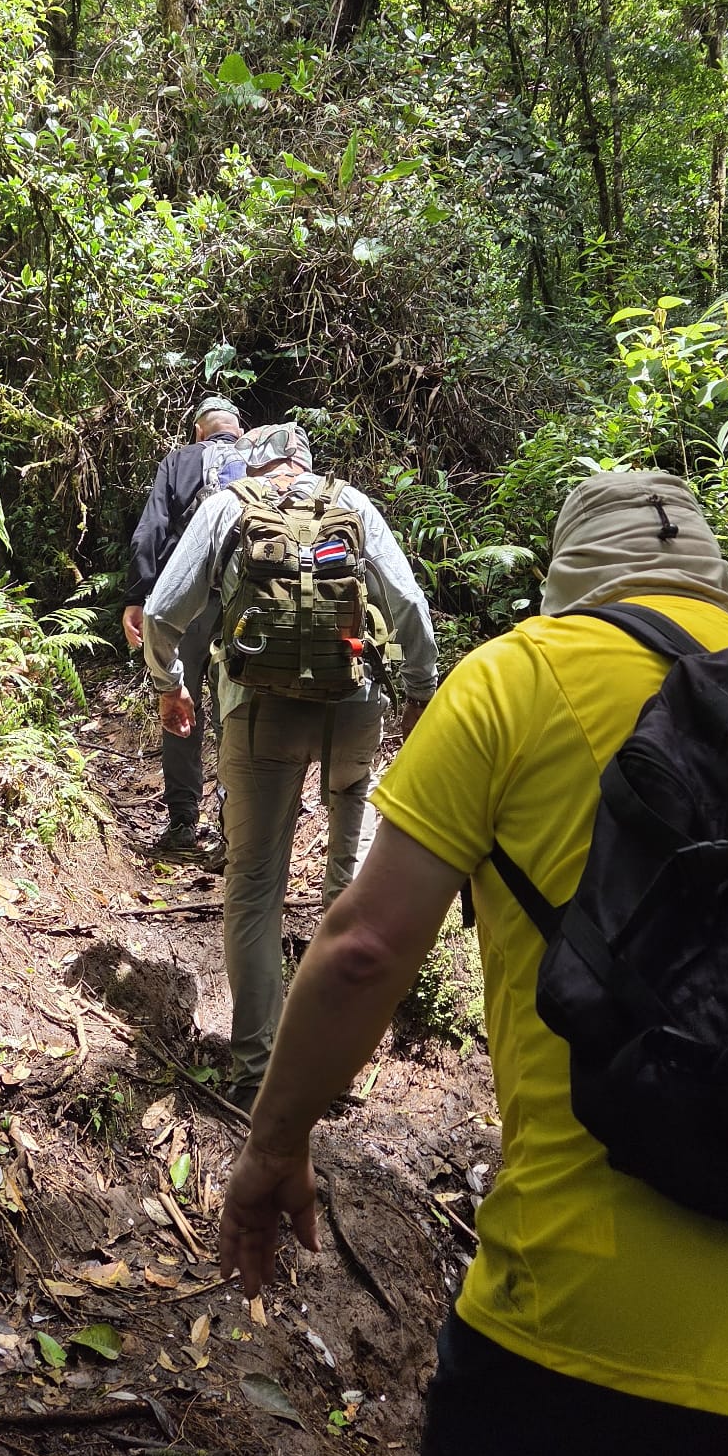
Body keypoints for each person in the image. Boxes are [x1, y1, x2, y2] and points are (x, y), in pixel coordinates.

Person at [216, 469, 728, 1456]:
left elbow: (362, 949)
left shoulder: (520, 674)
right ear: (721, 580)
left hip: (596, 1301)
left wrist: (272, 1145)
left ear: (565, 583)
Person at [144, 422, 438, 1109]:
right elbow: (410, 606)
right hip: (352, 706)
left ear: (253, 463)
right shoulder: (353, 504)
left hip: (258, 710)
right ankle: (328, 1062)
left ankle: (254, 1070)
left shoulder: (227, 506)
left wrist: (170, 684)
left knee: (254, 886)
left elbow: (162, 611)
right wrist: (421, 691)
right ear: (306, 463)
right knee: (349, 881)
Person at [122, 395, 246, 854]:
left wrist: (138, 596)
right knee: (238, 712)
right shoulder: (262, 460)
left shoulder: (180, 460)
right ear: (236, 427)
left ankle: (182, 825)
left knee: (178, 703)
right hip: (246, 606)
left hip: (186, 605)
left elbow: (151, 529)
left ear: (198, 430)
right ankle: (237, 829)